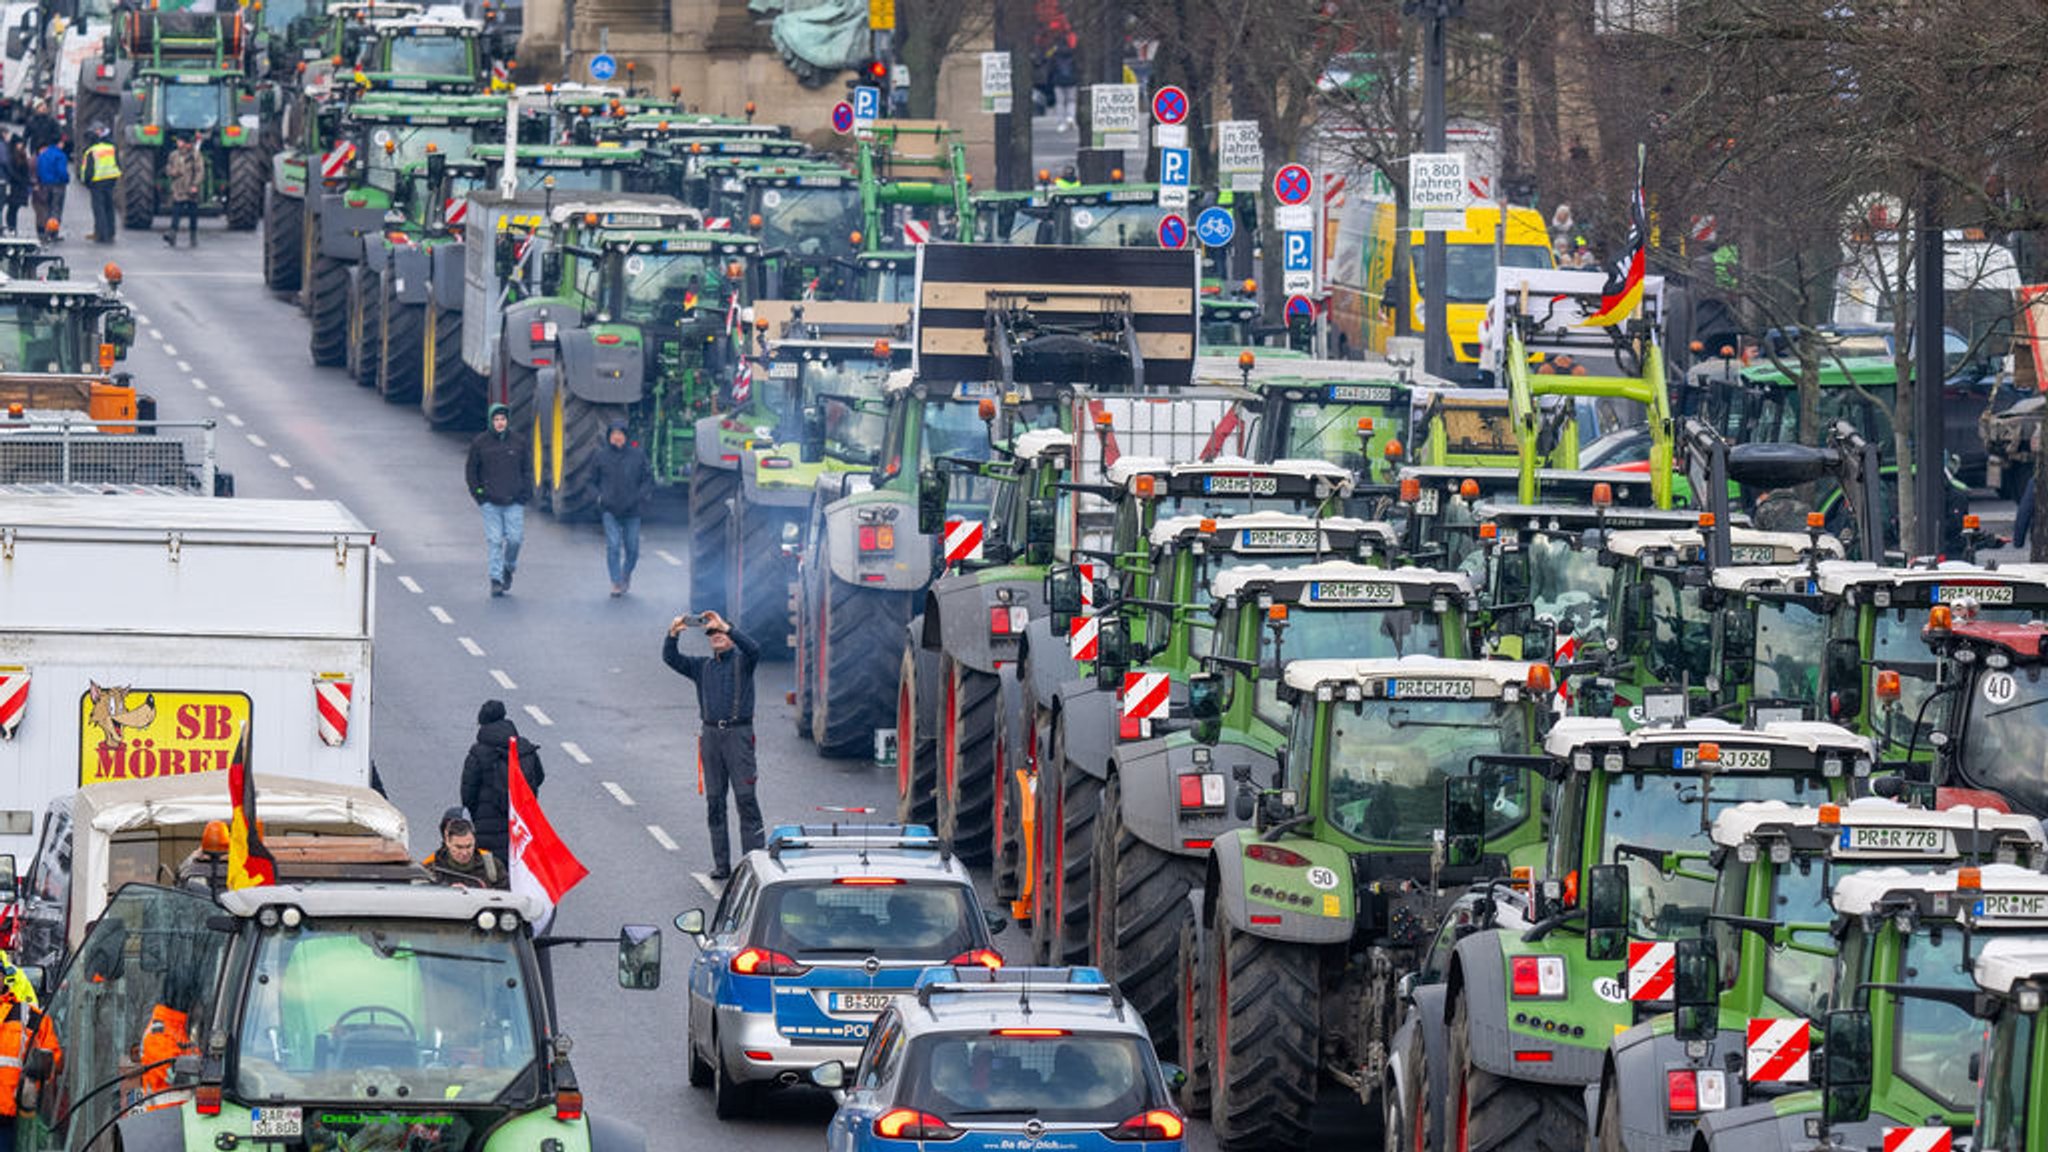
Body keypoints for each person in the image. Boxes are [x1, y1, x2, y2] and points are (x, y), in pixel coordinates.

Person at [662, 609, 762, 880]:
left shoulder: (743, 662)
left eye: (720, 633)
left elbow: (754, 648)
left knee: (746, 800)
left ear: (729, 636)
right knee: (715, 802)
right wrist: (672, 634)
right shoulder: (702, 667)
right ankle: (722, 865)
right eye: (712, 634)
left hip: (738, 737)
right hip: (711, 738)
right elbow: (670, 658)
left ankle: (754, 865)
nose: (716, 637)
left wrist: (727, 627)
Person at [460, 699, 544, 861]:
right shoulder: (524, 748)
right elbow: (539, 777)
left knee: (491, 871)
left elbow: (468, 791)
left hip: (486, 824)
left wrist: (473, 816)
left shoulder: (478, 752)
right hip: (519, 822)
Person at [464, 403, 531, 597]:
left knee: (515, 539)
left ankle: (508, 567)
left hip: (514, 502)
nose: (500, 423)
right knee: (494, 541)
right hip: (491, 503)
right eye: (496, 419)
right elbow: (471, 472)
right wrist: (480, 495)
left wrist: (523, 495)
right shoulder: (480, 443)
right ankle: (495, 579)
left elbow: (527, 470)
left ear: (508, 421)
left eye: (503, 419)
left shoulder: (519, 442)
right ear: (491, 421)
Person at [591, 420, 652, 596]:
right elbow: (590, 481)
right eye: (613, 434)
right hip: (609, 509)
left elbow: (648, 479)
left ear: (626, 436)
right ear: (609, 437)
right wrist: (599, 498)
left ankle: (626, 573)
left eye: (620, 434)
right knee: (613, 545)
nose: (617, 438)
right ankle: (616, 582)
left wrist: (640, 497)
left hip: (632, 510)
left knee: (632, 549)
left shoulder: (638, 456)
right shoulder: (601, 456)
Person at [422, 806, 506, 888]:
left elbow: (506, 897)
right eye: (459, 847)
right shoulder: (432, 868)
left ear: (474, 840)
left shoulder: (492, 866)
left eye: (469, 846)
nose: (464, 853)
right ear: (447, 841)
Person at [163, 134, 203, 247]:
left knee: (193, 213)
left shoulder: (195, 155)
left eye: (180, 141)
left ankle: (193, 236)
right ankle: (172, 234)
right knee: (176, 211)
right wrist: (172, 172)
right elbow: (168, 168)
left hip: (190, 188)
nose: (178, 143)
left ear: (187, 143)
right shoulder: (174, 155)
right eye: (178, 141)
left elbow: (199, 171)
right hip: (178, 188)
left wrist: (195, 185)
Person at [81, 124, 118, 244]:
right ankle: (111, 232)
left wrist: (87, 182)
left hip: (97, 182)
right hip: (111, 180)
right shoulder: (111, 147)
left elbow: (88, 170)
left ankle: (102, 234)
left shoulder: (92, 151)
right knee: (109, 207)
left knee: (99, 208)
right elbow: (118, 163)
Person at [32, 136, 66, 240]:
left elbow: (39, 169)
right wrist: (65, 179)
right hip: (58, 185)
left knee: (46, 208)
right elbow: (62, 171)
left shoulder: (43, 155)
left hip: (45, 185)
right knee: (56, 209)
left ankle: (45, 232)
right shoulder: (60, 155)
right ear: (59, 144)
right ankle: (53, 232)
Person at [6, 136, 29, 236]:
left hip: (17, 187)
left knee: (13, 209)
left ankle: (12, 228)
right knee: (13, 209)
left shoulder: (16, 155)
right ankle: (12, 228)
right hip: (17, 187)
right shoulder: (15, 156)